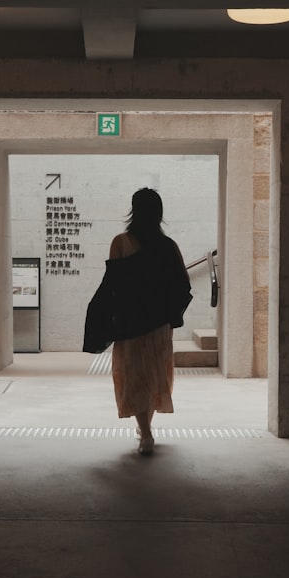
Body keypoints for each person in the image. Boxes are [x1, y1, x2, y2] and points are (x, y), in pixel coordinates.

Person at [84, 188, 192, 455]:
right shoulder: (169, 246)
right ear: (159, 213)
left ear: (133, 210)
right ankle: (145, 431)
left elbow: (113, 284)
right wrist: (167, 314)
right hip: (157, 326)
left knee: (134, 377)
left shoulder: (121, 242)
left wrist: (103, 315)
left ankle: (145, 432)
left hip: (130, 324)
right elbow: (182, 286)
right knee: (154, 376)